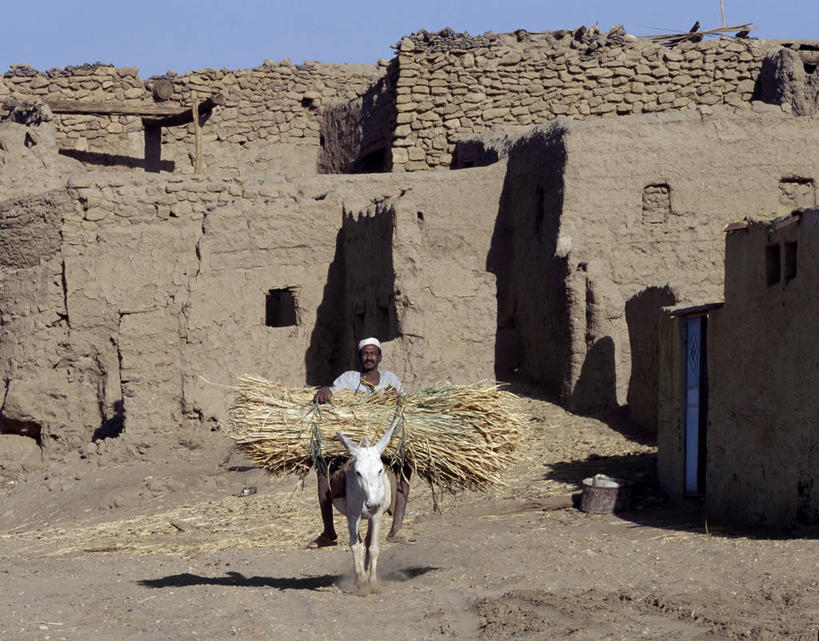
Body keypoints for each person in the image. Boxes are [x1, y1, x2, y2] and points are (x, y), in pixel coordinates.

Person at [308, 337, 415, 548]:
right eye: (365, 353)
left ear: (380, 357)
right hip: (354, 446)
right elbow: (332, 394)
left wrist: (396, 400)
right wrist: (324, 390)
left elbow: (405, 405)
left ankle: (396, 529)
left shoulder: (390, 379)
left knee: (406, 467)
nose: (369, 356)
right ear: (360, 357)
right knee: (323, 473)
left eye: (373, 353)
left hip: (382, 445)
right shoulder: (349, 379)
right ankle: (328, 532)